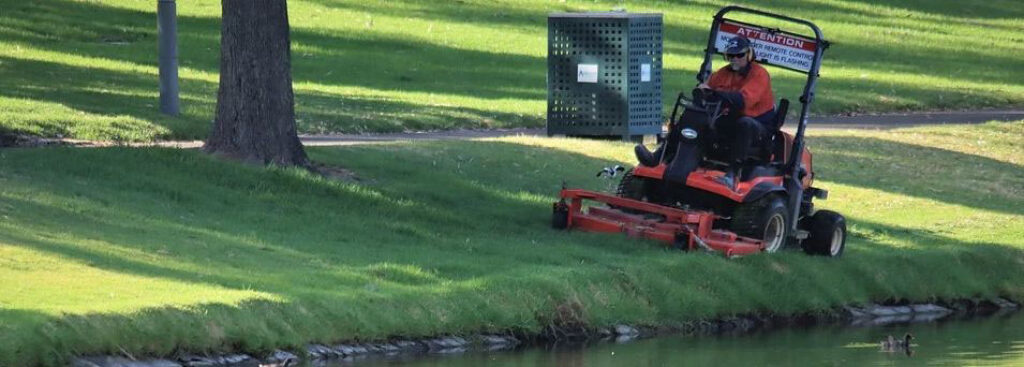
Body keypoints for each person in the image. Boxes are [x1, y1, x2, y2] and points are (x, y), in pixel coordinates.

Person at [698, 35, 777, 189]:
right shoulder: (723, 73)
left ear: (749, 55)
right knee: (695, 114)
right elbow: (706, 88)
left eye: (739, 55)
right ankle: (666, 156)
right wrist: (703, 91)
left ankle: (733, 174)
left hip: (757, 126)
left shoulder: (759, 74)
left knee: (744, 124)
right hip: (730, 118)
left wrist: (716, 94)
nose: (734, 59)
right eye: (730, 55)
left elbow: (743, 101)